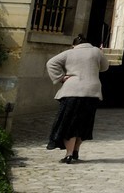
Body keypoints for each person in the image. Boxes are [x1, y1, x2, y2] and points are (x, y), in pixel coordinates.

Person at [45, 34, 108, 164]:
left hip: (72, 91)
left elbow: (50, 63)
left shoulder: (69, 53)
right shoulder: (96, 51)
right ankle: (76, 151)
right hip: (91, 92)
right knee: (83, 124)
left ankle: (68, 154)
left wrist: (60, 77)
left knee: (69, 123)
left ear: (74, 45)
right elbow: (105, 67)